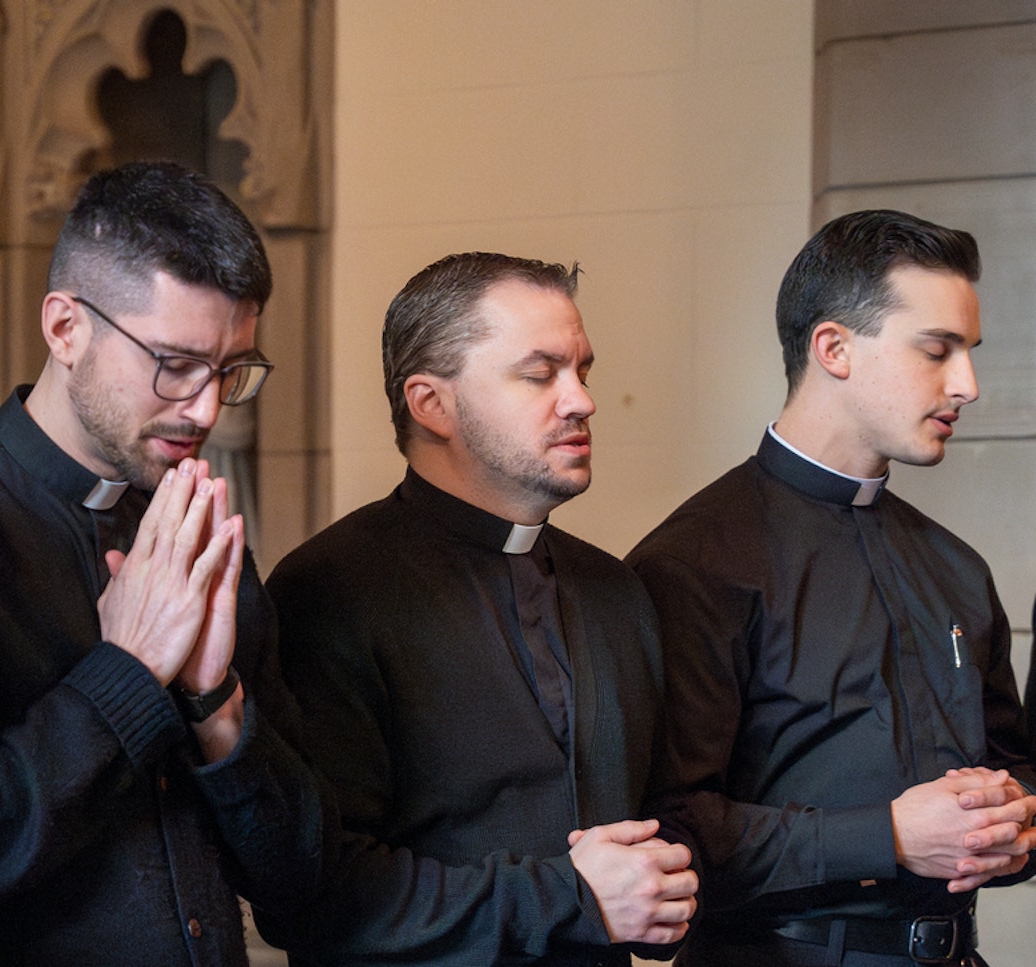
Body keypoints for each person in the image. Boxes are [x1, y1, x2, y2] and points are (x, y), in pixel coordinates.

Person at [0, 161, 323, 965]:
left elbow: (300, 883)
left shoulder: (192, 525)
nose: (205, 408)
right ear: (65, 328)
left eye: (230, 372)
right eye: (175, 363)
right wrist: (127, 672)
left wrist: (214, 703)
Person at [259, 252, 697, 965]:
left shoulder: (616, 588)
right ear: (432, 403)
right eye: (539, 373)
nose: (581, 399)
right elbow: (318, 894)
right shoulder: (328, 590)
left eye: (582, 370)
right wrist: (569, 897)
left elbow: (660, 813)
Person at [626, 209, 1036, 966]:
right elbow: (668, 826)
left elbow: (1016, 767)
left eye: (969, 353)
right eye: (938, 351)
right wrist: (890, 835)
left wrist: (1016, 826)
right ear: (834, 348)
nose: (968, 385)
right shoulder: (693, 562)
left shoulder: (956, 566)